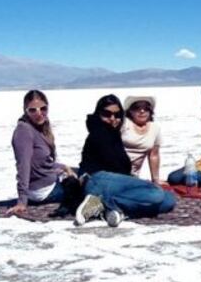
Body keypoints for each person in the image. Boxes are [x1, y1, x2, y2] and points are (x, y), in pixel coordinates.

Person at [74, 94, 177, 227]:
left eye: (117, 115)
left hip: (119, 181)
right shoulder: (99, 131)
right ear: (98, 113)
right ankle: (105, 202)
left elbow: (153, 154)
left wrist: (149, 179)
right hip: (98, 179)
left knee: (168, 200)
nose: (113, 119)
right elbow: (112, 162)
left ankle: (112, 210)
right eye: (107, 114)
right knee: (155, 193)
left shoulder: (115, 131)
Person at [6, 90, 77, 216]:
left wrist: (64, 167)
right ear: (25, 110)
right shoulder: (24, 131)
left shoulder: (38, 129)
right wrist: (22, 201)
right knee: (90, 180)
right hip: (42, 191)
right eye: (32, 110)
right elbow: (24, 165)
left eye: (43, 109)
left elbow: (42, 163)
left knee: (83, 171)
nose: (39, 113)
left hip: (49, 182)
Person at [121, 95, 162, 183]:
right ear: (130, 111)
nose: (142, 111)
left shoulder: (154, 128)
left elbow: (154, 155)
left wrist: (155, 180)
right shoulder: (123, 124)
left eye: (146, 108)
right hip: (115, 171)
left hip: (133, 176)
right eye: (137, 108)